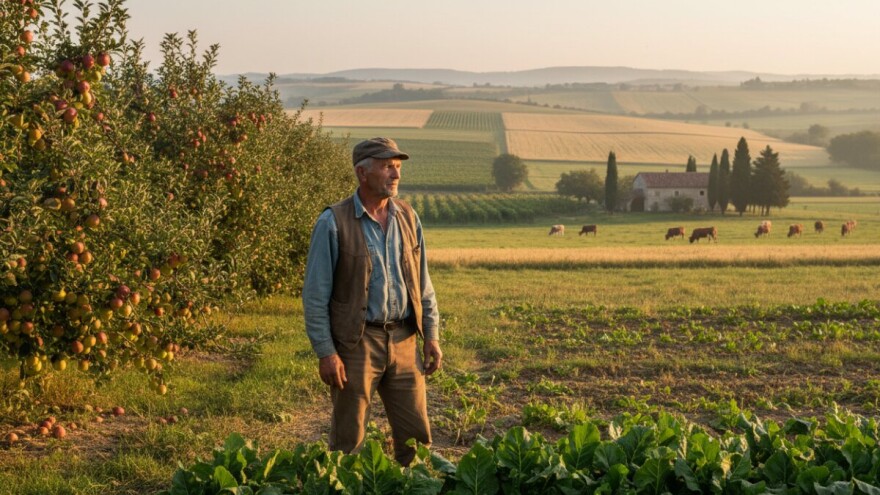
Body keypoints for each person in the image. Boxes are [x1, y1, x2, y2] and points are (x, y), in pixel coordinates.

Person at [302, 137, 442, 466]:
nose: (395, 174)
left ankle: (412, 488)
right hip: (356, 343)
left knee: (416, 435)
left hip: (406, 339)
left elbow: (423, 282)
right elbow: (315, 296)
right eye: (387, 166)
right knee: (349, 438)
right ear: (362, 173)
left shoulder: (408, 217)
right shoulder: (332, 223)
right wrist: (327, 353)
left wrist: (432, 335)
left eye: (398, 167)